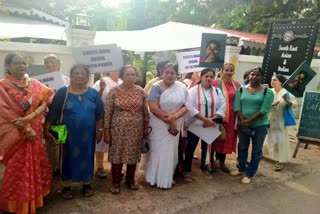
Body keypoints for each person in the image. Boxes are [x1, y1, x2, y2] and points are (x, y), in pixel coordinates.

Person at [0, 53, 54, 213]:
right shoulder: (2, 86)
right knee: (17, 166)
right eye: (17, 63)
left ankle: (34, 198)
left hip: (35, 130)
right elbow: (4, 111)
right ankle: (16, 202)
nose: (21, 66)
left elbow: (46, 102)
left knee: (35, 162)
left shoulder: (35, 84)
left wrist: (30, 118)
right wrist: (26, 127)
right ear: (8, 66)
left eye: (24, 63)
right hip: (15, 132)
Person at [44, 64, 104, 199]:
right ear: (71, 76)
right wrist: (46, 129)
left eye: (82, 73)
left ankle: (86, 184)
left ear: (87, 77)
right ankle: (66, 186)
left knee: (87, 156)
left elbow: (100, 113)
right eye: (76, 73)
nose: (79, 76)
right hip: (64, 132)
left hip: (88, 135)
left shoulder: (93, 93)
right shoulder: (62, 92)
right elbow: (53, 112)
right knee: (66, 157)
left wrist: (100, 130)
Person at [104, 65, 149, 194]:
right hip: (118, 130)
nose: (130, 77)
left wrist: (146, 128)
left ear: (136, 76)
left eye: (133, 74)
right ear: (122, 75)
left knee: (133, 155)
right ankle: (116, 182)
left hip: (136, 130)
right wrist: (106, 132)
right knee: (117, 155)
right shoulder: (114, 91)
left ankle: (130, 180)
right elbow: (107, 113)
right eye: (127, 74)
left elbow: (145, 111)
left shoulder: (140, 91)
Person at [145, 62, 188, 189]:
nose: (169, 75)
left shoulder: (182, 87)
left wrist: (174, 118)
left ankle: (167, 177)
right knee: (158, 150)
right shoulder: (155, 87)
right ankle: (154, 177)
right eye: (166, 72)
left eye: (172, 73)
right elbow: (153, 108)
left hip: (176, 123)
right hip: (159, 124)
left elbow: (187, 106)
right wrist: (169, 121)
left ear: (177, 74)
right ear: (161, 73)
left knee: (172, 151)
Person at [231, 67, 274, 184]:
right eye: (252, 74)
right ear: (249, 76)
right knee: (242, 147)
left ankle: (250, 173)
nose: (254, 77)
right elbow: (236, 106)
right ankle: (241, 168)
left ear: (262, 77)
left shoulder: (267, 91)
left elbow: (264, 110)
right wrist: (242, 121)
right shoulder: (241, 90)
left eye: (258, 75)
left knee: (256, 150)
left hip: (260, 125)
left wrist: (247, 121)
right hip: (242, 124)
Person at [184, 68, 226, 182]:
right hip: (195, 124)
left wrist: (212, 119)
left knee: (208, 148)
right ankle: (187, 170)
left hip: (211, 124)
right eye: (206, 76)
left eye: (211, 76)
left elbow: (223, 105)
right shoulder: (192, 91)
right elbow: (190, 107)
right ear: (201, 77)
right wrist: (204, 119)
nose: (209, 78)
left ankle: (205, 167)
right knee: (191, 147)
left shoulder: (217, 91)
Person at [212, 63, 241, 173]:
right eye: (226, 70)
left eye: (231, 70)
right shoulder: (215, 83)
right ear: (222, 71)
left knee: (225, 139)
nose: (229, 72)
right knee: (215, 138)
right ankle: (211, 161)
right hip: (218, 115)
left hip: (232, 117)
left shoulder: (237, 84)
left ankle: (222, 162)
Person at [92, 71, 122, 178]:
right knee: (100, 142)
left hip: (118, 117)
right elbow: (93, 99)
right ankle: (100, 166)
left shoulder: (122, 82)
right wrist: (101, 89)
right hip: (103, 115)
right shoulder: (101, 81)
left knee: (116, 141)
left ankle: (116, 166)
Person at [43, 54, 69, 175]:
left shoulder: (67, 80)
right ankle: (51, 167)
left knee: (60, 141)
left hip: (62, 116)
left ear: (59, 64)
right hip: (47, 115)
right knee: (50, 142)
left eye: (52, 62)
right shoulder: (40, 81)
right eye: (47, 62)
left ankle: (60, 166)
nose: (49, 64)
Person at [266, 74, 296, 171]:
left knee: (280, 141)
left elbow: (294, 105)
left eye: (275, 80)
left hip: (280, 121)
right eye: (272, 79)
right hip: (268, 119)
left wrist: (286, 101)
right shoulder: (269, 91)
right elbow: (264, 104)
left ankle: (280, 160)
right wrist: (272, 104)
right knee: (265, 138)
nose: (272, 81)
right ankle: (262, 155)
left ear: (280, 82)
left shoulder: (286, 93)